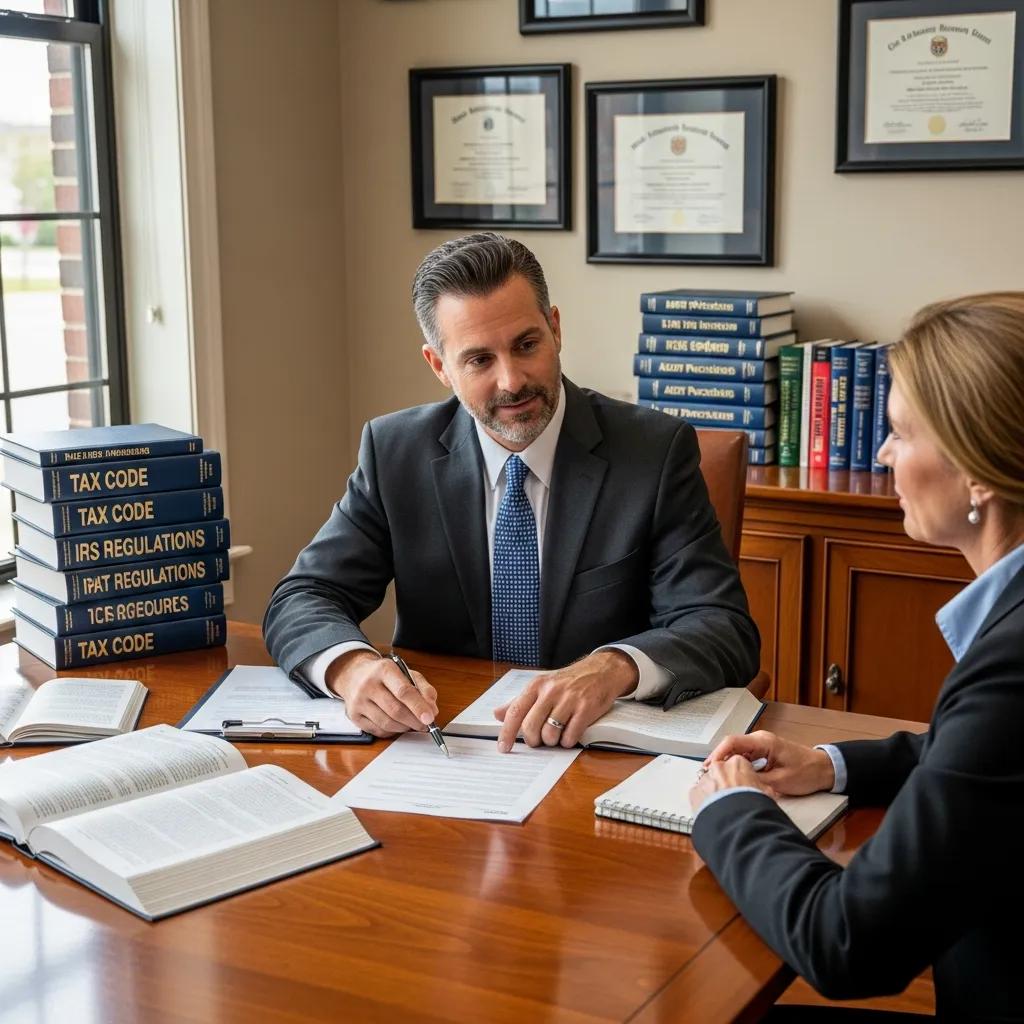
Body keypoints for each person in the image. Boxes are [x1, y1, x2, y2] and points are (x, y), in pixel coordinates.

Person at [264, 232, 759, 750]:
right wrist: (349, 667)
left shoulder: (653, 453)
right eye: (479, 360)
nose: (512, 381)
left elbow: (722, 627)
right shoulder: (395, 454)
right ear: (440, 366)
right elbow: (304, 596)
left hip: (592, 748)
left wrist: (614, 667)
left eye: (526, 345)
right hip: (443, 746)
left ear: (555, 328)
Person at [689, 292, 1024, 1022]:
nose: (881, 454)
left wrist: (733, 810)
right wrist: (833, 764)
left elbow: (846, 940)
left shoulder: (1012, 667)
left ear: (980, 474)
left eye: (901, 433)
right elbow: (984, 765)